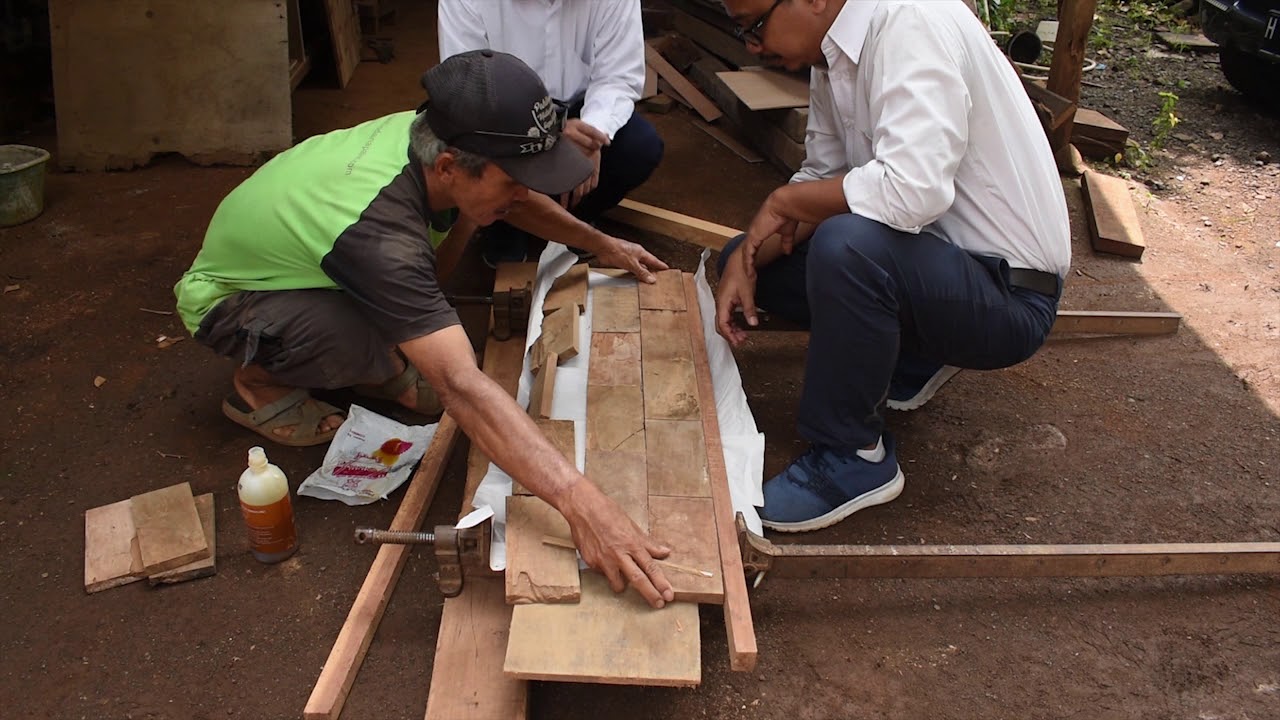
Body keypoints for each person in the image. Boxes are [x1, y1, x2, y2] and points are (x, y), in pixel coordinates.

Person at [174, 50, 675, 607]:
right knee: (400, 351)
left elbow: (515, 201)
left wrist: (604, 244)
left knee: (415, 311)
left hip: (312, 262)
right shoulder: (380, 235)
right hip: (233, 302)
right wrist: (584, 504)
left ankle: (373, 356)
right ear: (448, 170)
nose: (524, 191)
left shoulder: (433, 138)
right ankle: (258, 385)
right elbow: (460, 386)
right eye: (515, 179)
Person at [713, 0, 1071, 532]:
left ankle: (853, 457)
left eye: (755, 27)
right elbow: (824, 175)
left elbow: (913, 190)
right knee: (759, 254)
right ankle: (917, 350)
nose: (754, 47)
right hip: (939, 267)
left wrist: (783, 205)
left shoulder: (910, 20)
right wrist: (743, 261)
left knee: (847, 247)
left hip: (1009, 297)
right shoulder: (833, 52)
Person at [438, 0, 664, 267]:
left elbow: (617, 77)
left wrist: (592, 134)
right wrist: (548, 134)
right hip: (501, 116)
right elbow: (469, 90)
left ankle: (576, 220)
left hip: (579, 109)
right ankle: (503, 226)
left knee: (639, 148)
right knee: (479, 157)